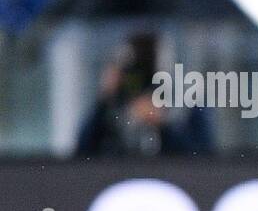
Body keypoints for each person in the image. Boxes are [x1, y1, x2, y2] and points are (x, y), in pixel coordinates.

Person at [75, 32, 213, 158]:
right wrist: (105, 100)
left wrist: (162, 125)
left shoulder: (188, 98)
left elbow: (203, 156)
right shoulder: (114, 102)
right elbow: (82, 153)